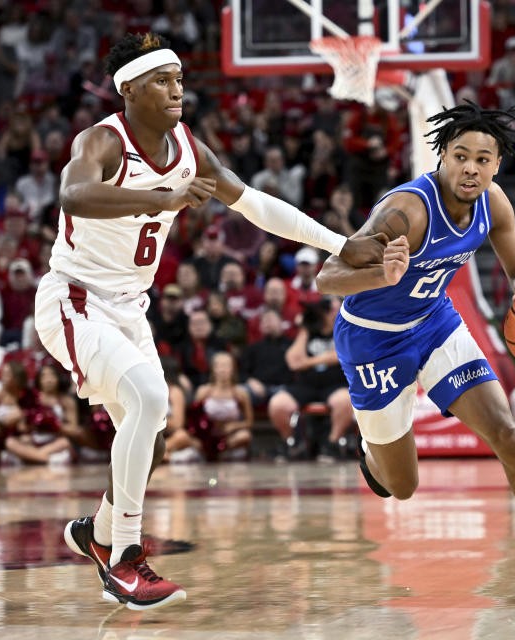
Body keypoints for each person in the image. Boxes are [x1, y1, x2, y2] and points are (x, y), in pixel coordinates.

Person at [41, 33, 384, 610]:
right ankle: (124, 559)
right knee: (151, 399)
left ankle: (99, 532)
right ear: (129, 89)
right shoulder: (102, 139)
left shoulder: (188, 147)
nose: (177, 90)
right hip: (76, 299)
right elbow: (73, 195)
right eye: (162, 81)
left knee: (148, 433)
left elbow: (256, 204)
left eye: (178, 79)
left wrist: (339, 242)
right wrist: (163, 199)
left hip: (130, 307)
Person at [315, 103, 515, 601]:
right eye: (460, 156)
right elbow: (327, 276)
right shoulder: (406, 212)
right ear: (442, 157)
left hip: (434, 324)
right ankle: (372, 454)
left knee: (507, 433)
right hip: (372, 338)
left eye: (482, 158)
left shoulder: (493, 203)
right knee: (402, 486)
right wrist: (379, 274)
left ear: (496, 165)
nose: (470, 168)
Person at [267, 297, 352, 461]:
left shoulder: (346, 329)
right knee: (277, 404)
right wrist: (305, 329)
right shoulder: (309, 330)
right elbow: (293, 362)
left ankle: (331, 445)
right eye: (326, 309)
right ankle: (292, 443)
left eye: (333, 308)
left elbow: (342, 355)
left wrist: (308, 362)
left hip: (335, 383)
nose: (330, 313)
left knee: (345, 401)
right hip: (307, 384)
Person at [190, 352, 253, 460]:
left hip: (229, 437)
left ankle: (219, 451)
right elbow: (193, 417)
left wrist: (234, 426)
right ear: (213, 369)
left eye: (226, 366)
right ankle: (209, 451)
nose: (222, 369)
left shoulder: (240, 393)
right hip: (206, 436)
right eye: (219, 366)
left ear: (233, 369)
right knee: (184, 437)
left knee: (245, 436)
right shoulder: (204, 391)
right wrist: (204, 427)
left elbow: (249, 422)